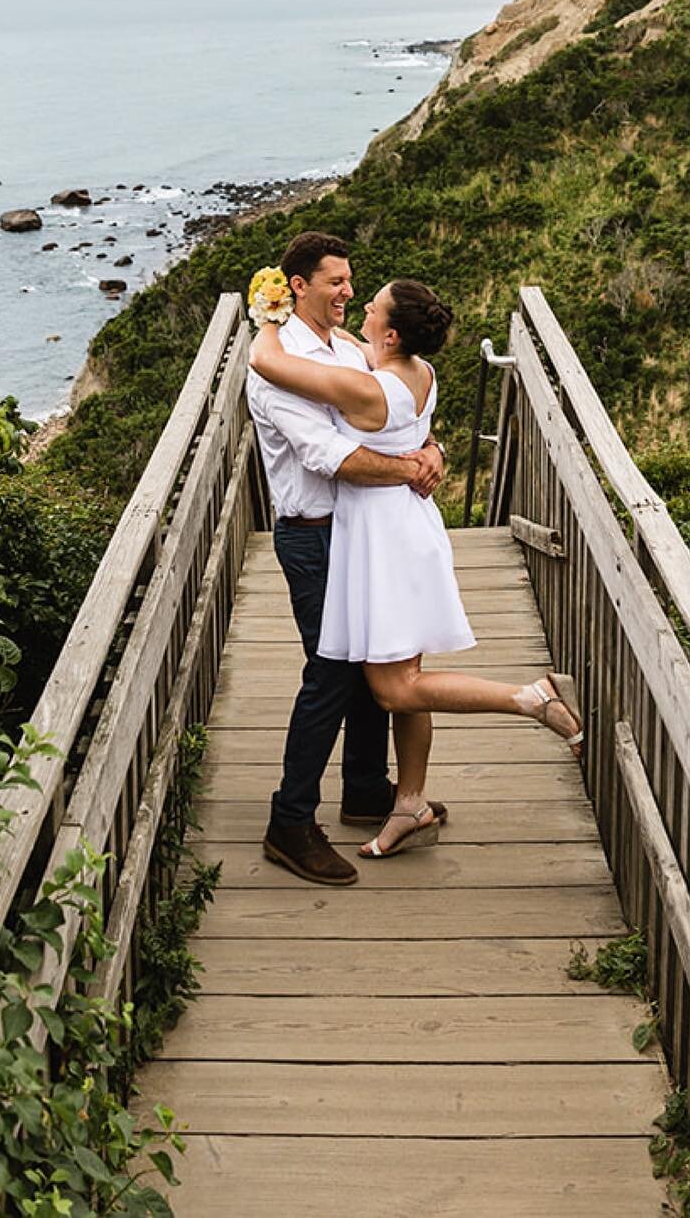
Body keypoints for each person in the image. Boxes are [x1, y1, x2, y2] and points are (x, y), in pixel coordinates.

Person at [250, 274, 584, 862]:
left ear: (392, 331)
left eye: (371, 306)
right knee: (408, 676)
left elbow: (272, 366)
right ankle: (407, 802)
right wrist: (433, 452)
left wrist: (267, 321)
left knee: (392, 687)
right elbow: (412, 422)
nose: (360, 309)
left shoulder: (368, 387)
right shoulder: (420, 372)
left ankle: (528, 698)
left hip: (384, 540)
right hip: (410, 529)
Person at [249, 231, 450, 888]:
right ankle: (290, 822)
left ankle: (365, 787)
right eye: (334, 281)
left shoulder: (344, 350)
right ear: (297, 285)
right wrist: (407, 470)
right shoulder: (279, 360)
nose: (348, 292)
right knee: (331, 674)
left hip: (362, 532)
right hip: (313, 536)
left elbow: (391, 416)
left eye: (351, 280)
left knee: (375, 655)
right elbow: (330, 457)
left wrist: (430, 450)